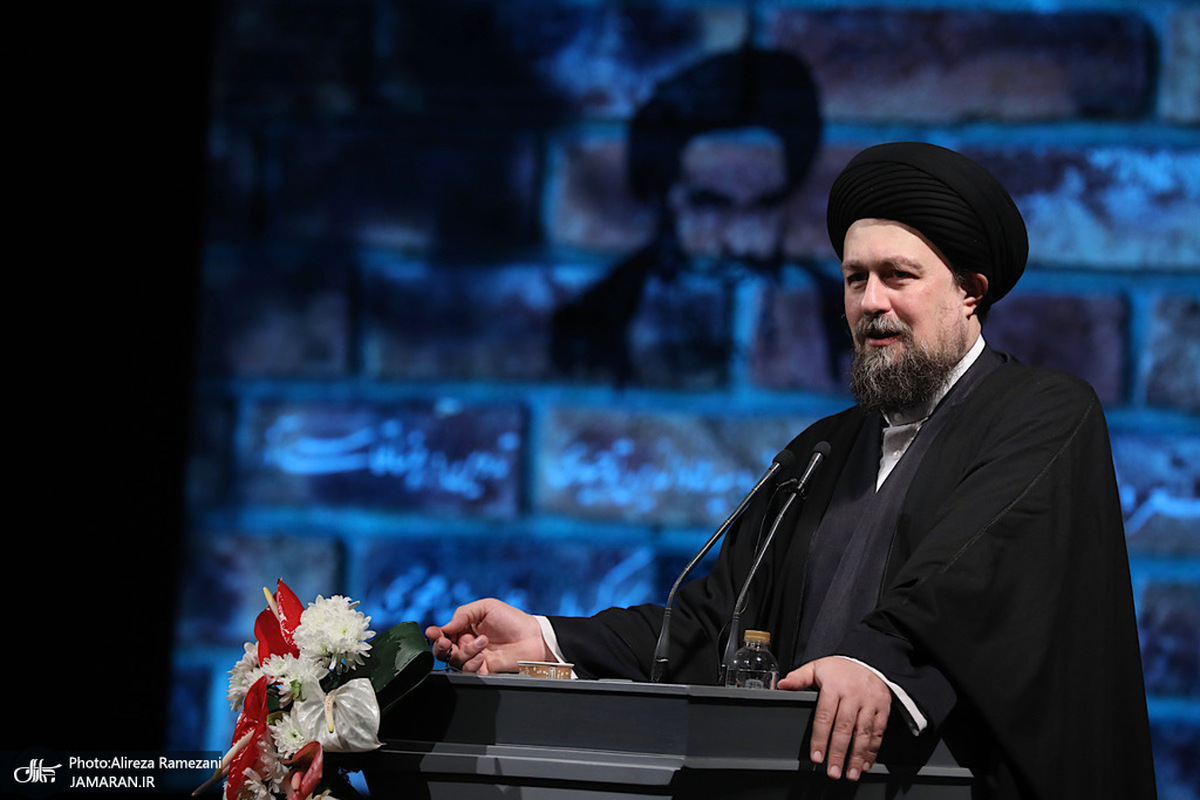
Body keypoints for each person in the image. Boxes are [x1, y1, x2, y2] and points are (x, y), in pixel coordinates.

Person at [428, 142, 1157, 799]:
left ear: (970, 291)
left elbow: (971, 575)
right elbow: (716, 622)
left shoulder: (1041, 413)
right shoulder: (820, 451)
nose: (871, 303)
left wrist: (875, 662)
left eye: (898, 276)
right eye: (855, 278)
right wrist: (550, 641)